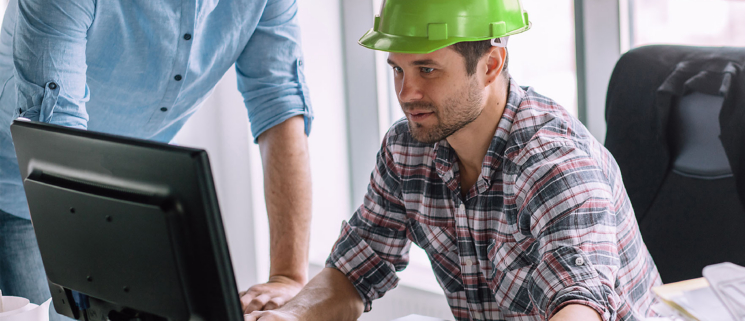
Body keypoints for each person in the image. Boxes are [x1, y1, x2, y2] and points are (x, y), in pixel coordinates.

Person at [245, 0, 663, 320]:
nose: (407, 93)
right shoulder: (407, 150)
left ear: (490, 64)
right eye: (397, 70)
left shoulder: (555, 166)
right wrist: (289, 315)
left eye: (427, 70)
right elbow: (356, 270)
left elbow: (580, 306)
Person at [0, 0, 313, 319]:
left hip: (118, 189)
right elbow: (58, 140)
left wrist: (287, 278)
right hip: (24, 186)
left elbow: (280, 105)